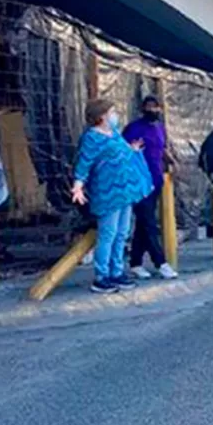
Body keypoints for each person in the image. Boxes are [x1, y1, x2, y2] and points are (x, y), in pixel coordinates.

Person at [71, 99, 154, 294]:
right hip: (107, 192)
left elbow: (122, 150)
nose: (115, 115)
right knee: (108, 234)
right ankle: (101, 276)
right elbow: (84, 163)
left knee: (122, 232)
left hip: (125, 192)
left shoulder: (114, 133)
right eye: (112, 112)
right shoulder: (92, 138)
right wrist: (78, 186)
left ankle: (117, 271)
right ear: (101, 116)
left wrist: (132, 150)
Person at [122, 96, 179, 281]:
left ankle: (136, 262)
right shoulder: (134, 128)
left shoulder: (159, 128)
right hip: (139, 181)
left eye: (156, 107)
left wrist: (171, 161)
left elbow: (161, 148)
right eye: (149, 107)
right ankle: (160, 262)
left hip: (156, 179)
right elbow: (126, 151)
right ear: (142, 109)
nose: (153, 110)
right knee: (149, 222)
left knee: (143, 223)